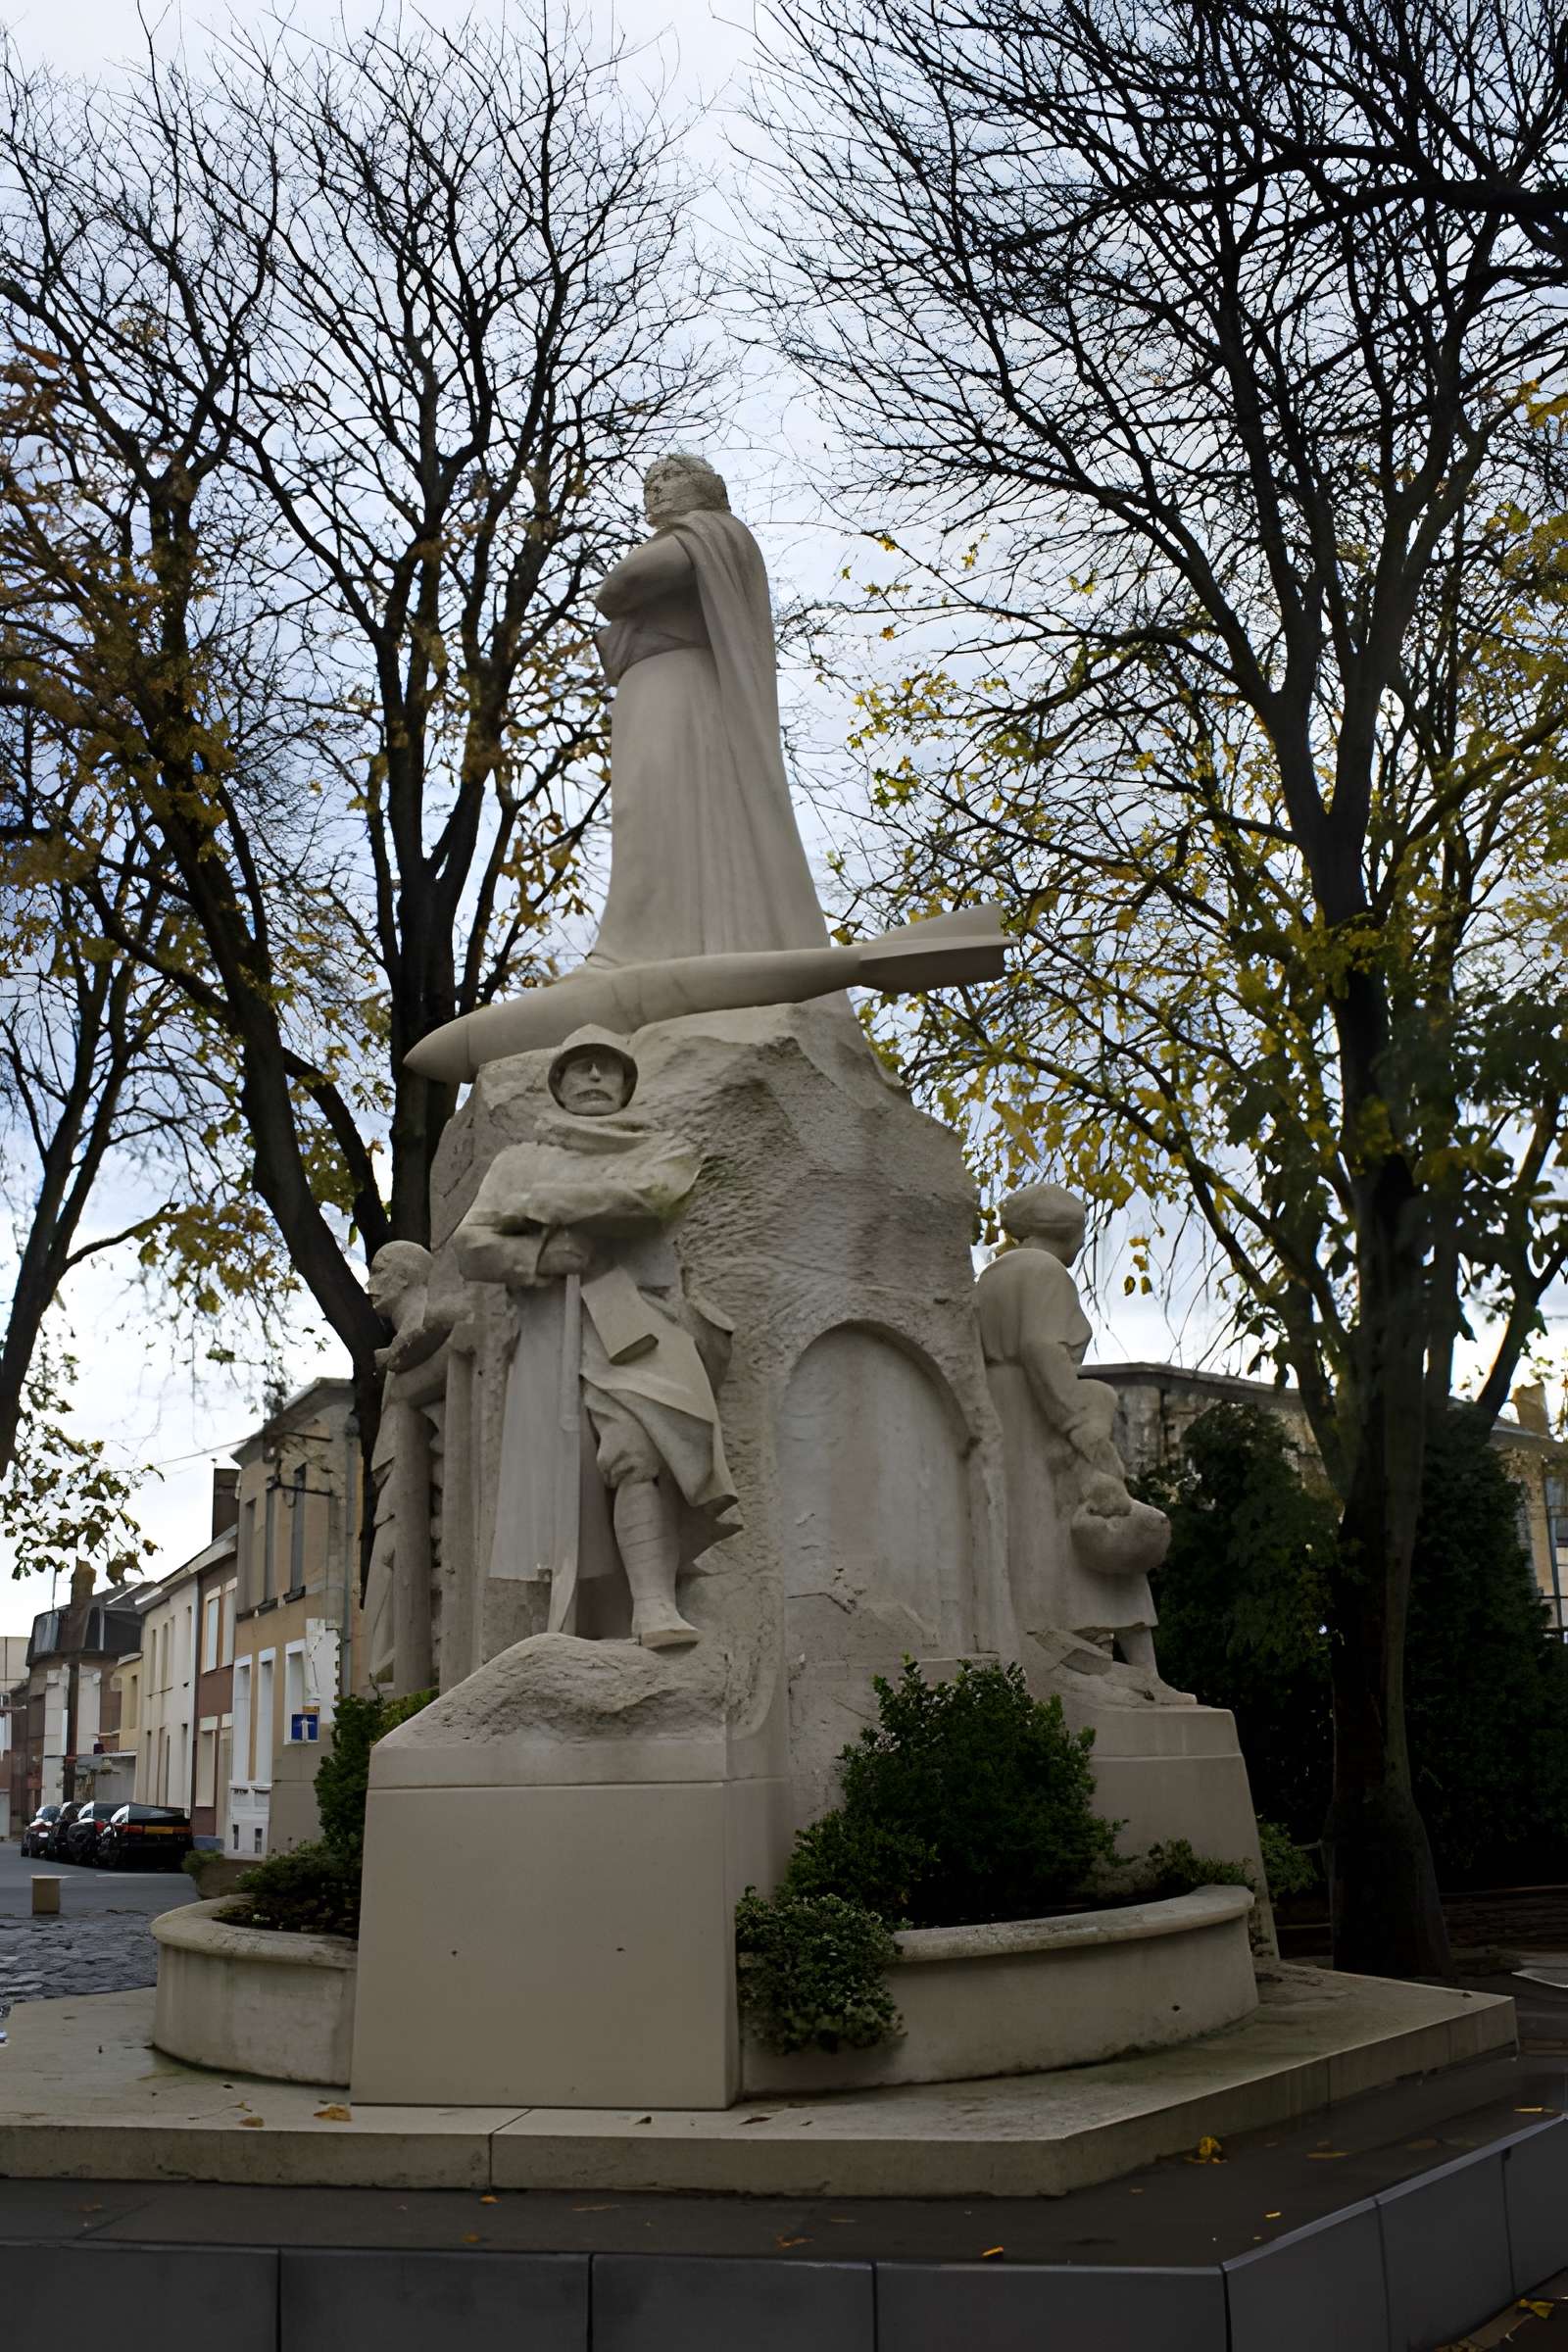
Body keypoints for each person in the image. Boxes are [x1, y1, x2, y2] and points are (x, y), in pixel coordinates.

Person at [454, 1026, 739, 1648]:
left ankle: (655, 1607)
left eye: (605, 1070)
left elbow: (649, 1198)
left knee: (643, 1447)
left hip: (637, 1327)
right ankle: (595, 1618)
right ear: (558, 1084)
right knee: (573, 1481)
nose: (591, 1079)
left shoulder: (658, 1149)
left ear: (626, 1083)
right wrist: (540, 1258)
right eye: (578, 1069)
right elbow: (471, 1246)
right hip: (556, 1329)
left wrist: (538, 1206)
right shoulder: (516, 1162)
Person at [586, 451, 829, 968]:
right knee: (644, 812)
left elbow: (620, 586)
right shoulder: (691, 540)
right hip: (650, 691)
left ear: (711, 485)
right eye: (649, 482)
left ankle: (658, 949)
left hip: (680, 686)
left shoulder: (712, 533)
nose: (655, 489)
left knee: (667, 805)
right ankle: (647, 946)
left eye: (670, 476)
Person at [975, 1183, 1167, 1674]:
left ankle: (1052, 1655)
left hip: (1001, 1410)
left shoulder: (988, 1279)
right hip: (1042, 1413)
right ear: (1069, 1232)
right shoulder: (1045, 1272)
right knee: (1086, 1529)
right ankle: (1134, 1674)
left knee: (1028, 1534)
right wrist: (1081, 1425)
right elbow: (1042, 1347)